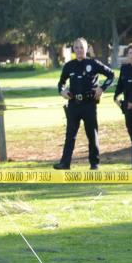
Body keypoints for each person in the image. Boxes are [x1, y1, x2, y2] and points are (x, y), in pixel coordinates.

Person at [53, 38, 115, 170]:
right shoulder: (69, 66)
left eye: (81, 47)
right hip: (73, 104)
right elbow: (61, 83)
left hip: (89, 104)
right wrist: (61, 91)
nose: (79, 50)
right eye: (76, 47)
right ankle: (65, 163)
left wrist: (102, 88)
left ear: (86, 49)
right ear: (73, 49)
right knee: (70, 135)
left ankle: (94, 164)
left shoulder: (93, 64)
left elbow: (111, 75)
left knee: (92, 134)